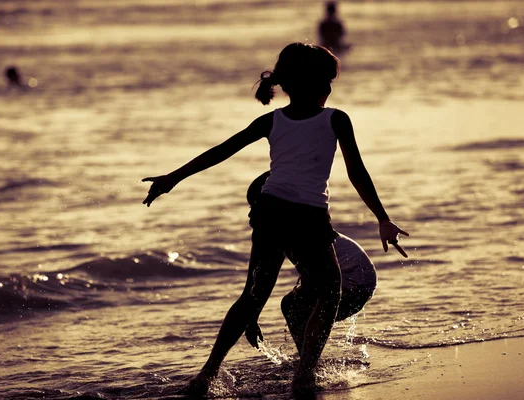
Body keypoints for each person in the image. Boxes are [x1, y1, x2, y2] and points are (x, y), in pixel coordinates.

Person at [142, 42, 409, 395]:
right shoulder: (335, 119)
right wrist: (382, 217)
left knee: (252, 296)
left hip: (269, 211)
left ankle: (206, 374)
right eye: (328, 81)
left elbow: (221, 151)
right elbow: (356, 170)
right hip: (307, 215)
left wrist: (172, 178)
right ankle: (305, 374)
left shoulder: (272, 120)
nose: (331, 88)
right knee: (330, 290)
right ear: (315, 85)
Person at [243, 171, 377, 355]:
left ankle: (308, 362)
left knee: (293, 306)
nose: (250, 213)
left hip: (354, 283)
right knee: (294, 305)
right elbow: (260, 281)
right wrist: (252, 318)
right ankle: (308, 360)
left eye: (256, 205)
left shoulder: (295, 231)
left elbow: (267, 282)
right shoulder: (288, 228)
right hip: (359, 282)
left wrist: (251, 317)